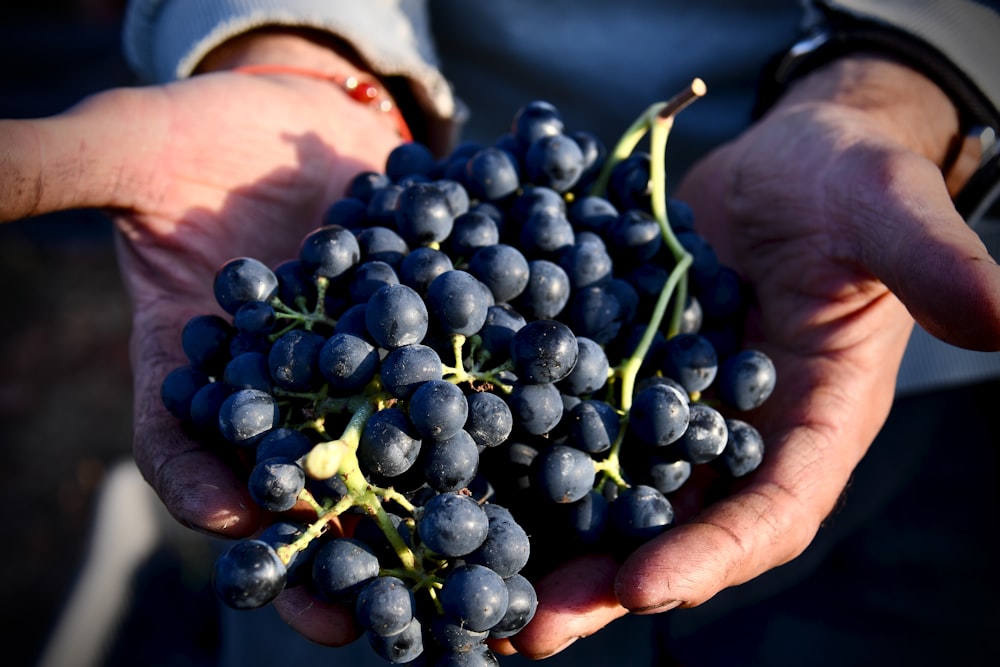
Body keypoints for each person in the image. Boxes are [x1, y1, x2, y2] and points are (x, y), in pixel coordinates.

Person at [3, 1, 999, 664]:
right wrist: (285, 35)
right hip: (423, 122)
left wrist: (914, 68)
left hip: (913, 372)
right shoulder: (407, 324)